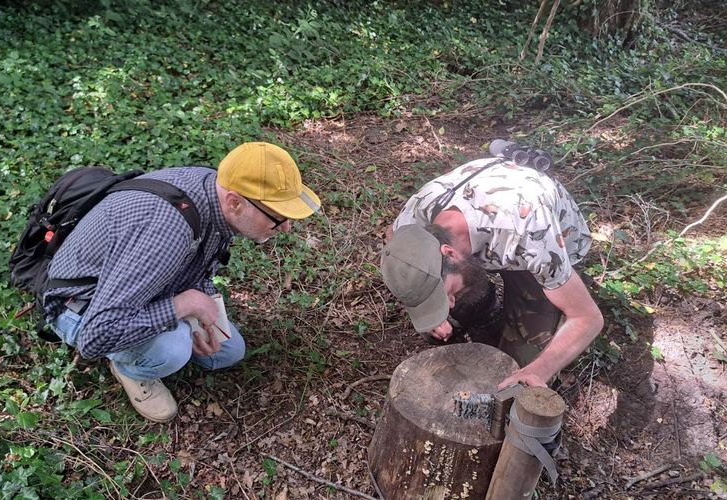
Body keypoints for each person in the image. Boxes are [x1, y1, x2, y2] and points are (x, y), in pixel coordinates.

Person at [43, 142, 321, 422]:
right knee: (172, 349)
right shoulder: (164, 233)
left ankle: (167, 332)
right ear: (235, 202)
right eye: (278, 217)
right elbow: (97, 336)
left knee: (227, 352)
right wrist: (183, 305)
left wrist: (198, 307)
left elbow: (198, 262)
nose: (286, 227)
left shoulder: (215, 190)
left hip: (133, 284)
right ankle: (130, 370)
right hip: (81, 306)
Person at [380, 150, 603, 389]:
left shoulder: (532, 235)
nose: (450, 303)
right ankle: (487, 312)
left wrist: (539, 371)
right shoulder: (416, 219)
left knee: (516, 370)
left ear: (449, 254)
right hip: (486, 240)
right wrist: (431, 307)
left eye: (447, 294)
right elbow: (393, 240)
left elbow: (587, 318)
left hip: (541, 243)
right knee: (434, 325)